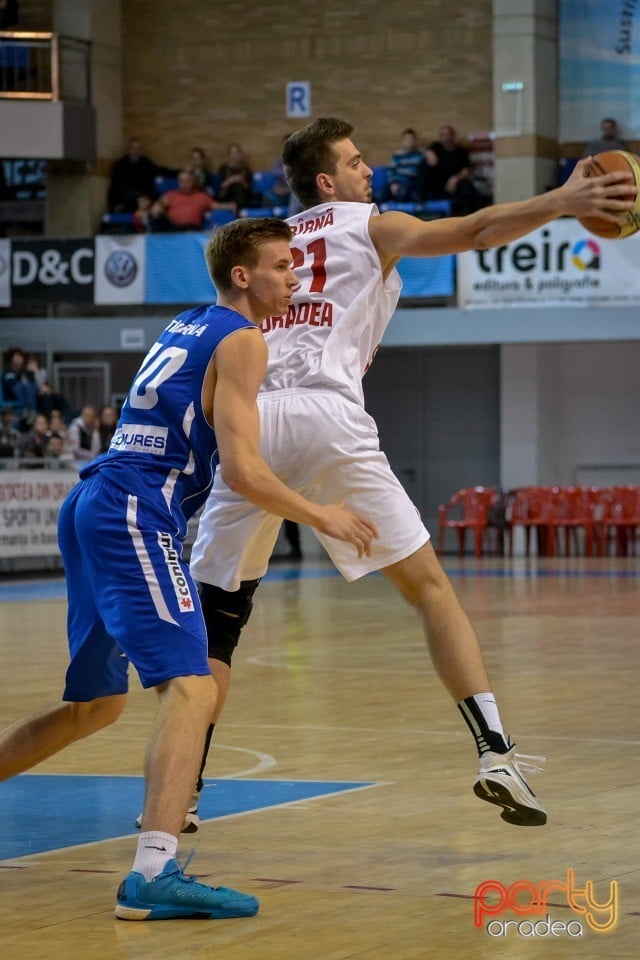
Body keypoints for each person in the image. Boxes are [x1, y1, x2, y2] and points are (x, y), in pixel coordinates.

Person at [186, 117, 635, 834]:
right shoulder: (369, 223)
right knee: (429, 589)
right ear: (327, 180)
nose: (370, 171)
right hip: (330, 416)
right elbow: (476, 233)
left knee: (216, 629)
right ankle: (495, 753)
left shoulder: (265, 245)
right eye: (357, 161)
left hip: (254, 419)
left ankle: (186, 789)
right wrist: (561, 201)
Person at [0, 216, 377, 921]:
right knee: (195, 688)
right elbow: (244, 471)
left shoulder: (189, 324)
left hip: (93, 500)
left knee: (96, 707)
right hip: (135, 509)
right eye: (279, 264)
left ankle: (154, 864)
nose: (293, 276)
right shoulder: (244, 340)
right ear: (243, 275)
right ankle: (153, 871)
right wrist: (322, 513)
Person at [147, 169, 234, 232]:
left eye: (187, 181)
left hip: (191, 228)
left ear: (192, 182)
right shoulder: (170, 195)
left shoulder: (201, 196)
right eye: (182, 181)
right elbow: (158, 205)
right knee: (155, 216)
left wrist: (231, 205)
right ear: (178, 182)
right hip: (172, 228)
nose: (184, 184)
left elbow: (216, 206)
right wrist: (157, 206)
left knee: (190, 230)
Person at [427, 124, 481, 214]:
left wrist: (455, 179)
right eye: (443, 135)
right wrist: (429, 154)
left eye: (448, 134)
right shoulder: (436, 147)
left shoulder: (461, 151)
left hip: (457, 183)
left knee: (469, 189)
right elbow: (425, 151)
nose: (446, 137)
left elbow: (466, 170)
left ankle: (470, 218)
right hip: (438, 184)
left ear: (453, 135)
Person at [107, 138, 164, 214]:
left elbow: (160, 170)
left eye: (138, 148)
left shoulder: (145, 163)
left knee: (154, 196)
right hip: (127, 196)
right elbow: (116, 187)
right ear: (129, 150)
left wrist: (179, 172)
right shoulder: (120, 165)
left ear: (140, 150)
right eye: (133, 148)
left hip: (144, 196)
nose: (135, 151)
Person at [385, 128, 428, 203]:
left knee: (403, 193)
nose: (408, 142)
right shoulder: (397, 154)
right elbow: (390, 170)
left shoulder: (420, 154)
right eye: (406, 139)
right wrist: (393, 183)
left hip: (410, 182)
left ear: (415, 140)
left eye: (411, 139)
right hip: (396, 182)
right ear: (403, 141)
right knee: (380, 194)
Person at [217, 143, 254, 210]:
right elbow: (221, 186)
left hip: (242, 196)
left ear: (240, 155)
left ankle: (237, 210)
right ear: (229, 155)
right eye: (233, 153)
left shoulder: (246, 170)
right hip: (227, 195)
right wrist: (232, 179)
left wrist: (242, 181)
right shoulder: (224, 168)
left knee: (239, 188)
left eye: (237, 153)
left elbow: (249, 189)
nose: (235, 156)